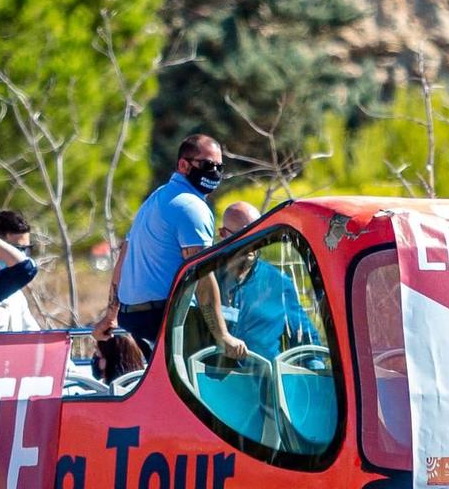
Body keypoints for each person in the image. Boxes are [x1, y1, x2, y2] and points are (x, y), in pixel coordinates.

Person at [92, 134, 245, 360]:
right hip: (163, 316)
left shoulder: (154, 200)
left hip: (133, 317)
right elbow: (201, 273)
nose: (215, 173)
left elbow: (124, 258)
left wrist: (111, 316)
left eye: (219, 167)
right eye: (207, 165)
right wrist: (222, 336)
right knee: (228, 370)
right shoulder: (191, 206)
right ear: (183, 165)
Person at [213, 202, 318, 360]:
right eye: (242, 236)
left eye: (256, 235)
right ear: (222, 234)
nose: (250, 243)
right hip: (205, 381)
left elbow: (307, 343)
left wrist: (314, 377)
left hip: (262, 380)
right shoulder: (204, 277)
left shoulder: (278, 283)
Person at [0, 210, 43, 333]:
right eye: (15, 249)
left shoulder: (16, 293)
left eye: (26, 249)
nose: (21, 255)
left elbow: (34, 335)